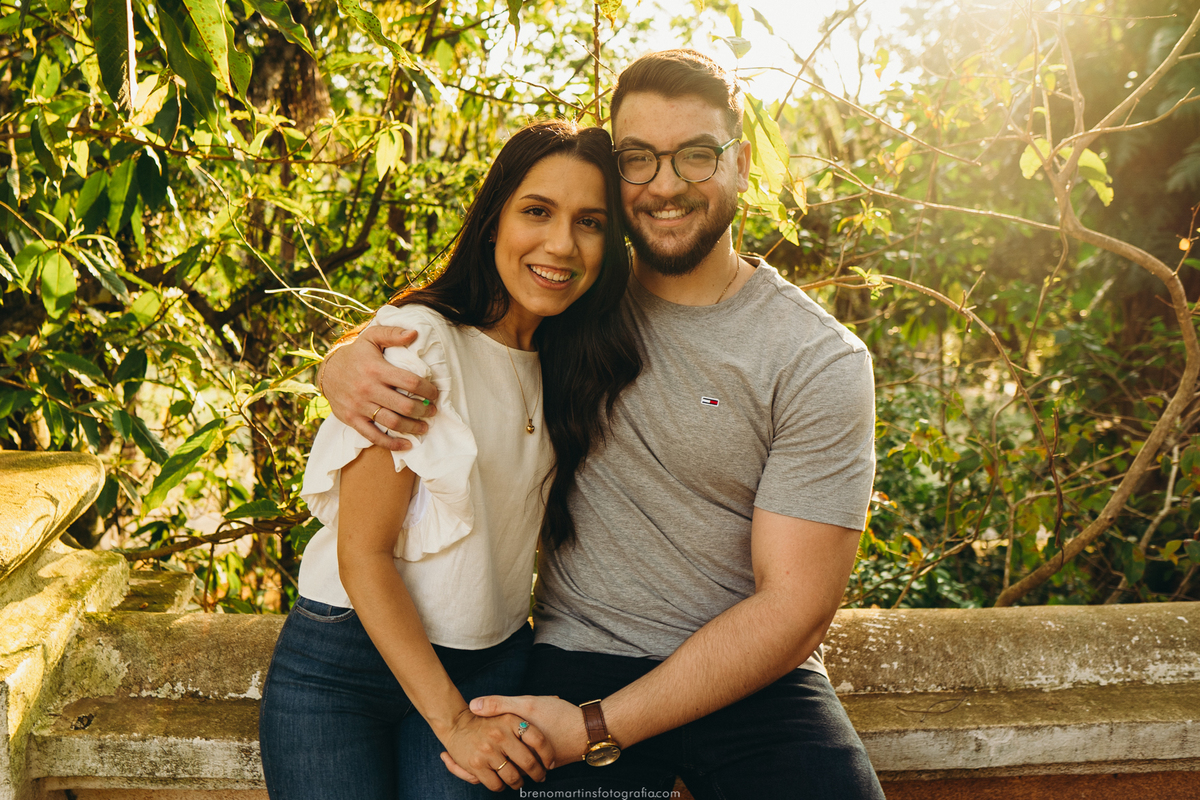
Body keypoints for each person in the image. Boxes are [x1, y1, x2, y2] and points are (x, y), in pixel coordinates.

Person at [320, 50, 884, 799]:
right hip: (580, 659)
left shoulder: (817, 359)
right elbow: (447, 331)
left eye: (696, 155)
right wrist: (345, 360)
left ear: (742, 163)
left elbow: (795, 607)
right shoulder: (566, 298)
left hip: (753, 681)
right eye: (638, 159)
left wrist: (595, 727)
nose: (666, 183)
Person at [257, 119, 641, 800]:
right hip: (346, 667)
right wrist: (453, 722)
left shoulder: (573, 362)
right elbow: (363, 555)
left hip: (488, 664)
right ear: (494, 221)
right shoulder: (420, 347)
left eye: (590, 222)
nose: (561, 243)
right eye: (537, 211)